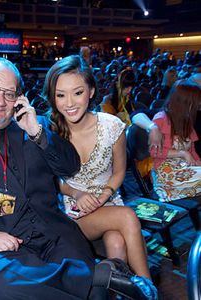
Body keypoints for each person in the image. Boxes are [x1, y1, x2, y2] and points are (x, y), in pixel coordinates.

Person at [0, 57, 156, 300]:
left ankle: (92, 280)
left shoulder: (35, 125)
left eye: (9, 94)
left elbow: (70, 166)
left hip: (51, 232)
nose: (0, 101)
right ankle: (97, 276)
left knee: (85, 279)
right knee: (4, 285)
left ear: (19, 97)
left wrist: (36, 133)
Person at [43, 55, 153, 281]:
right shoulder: (49, 131)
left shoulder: (112, 126)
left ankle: (120, 293)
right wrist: (76, 193)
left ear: (91, 91)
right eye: (60, 95)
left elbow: (120, 171)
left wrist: (103, 196)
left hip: (109, 201)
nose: (70, 103)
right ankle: (147, 288)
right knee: (127, 217)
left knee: (116, 242)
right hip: (75, 212)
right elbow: (50, 179)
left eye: (78, 92)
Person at [150, 80, 201, 202]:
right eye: (195, 104)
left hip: (184, 168)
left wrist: (198, 162)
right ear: (184, 103)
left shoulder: (187, 121)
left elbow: (193, 150)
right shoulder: (161, 119)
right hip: (165, 171)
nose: (198, 107)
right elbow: (155, 152)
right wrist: (183, 153)